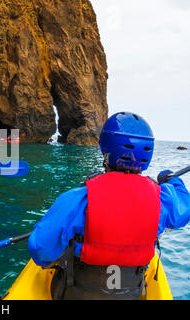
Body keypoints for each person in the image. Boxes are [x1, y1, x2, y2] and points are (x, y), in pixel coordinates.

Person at [27, 112, 190, 300]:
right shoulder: (163, 199)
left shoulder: (76, 199)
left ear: (105, 149)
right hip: (132, 293)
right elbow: (184, 209)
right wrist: (171, 179)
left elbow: (39, 248)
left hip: (77, 292)